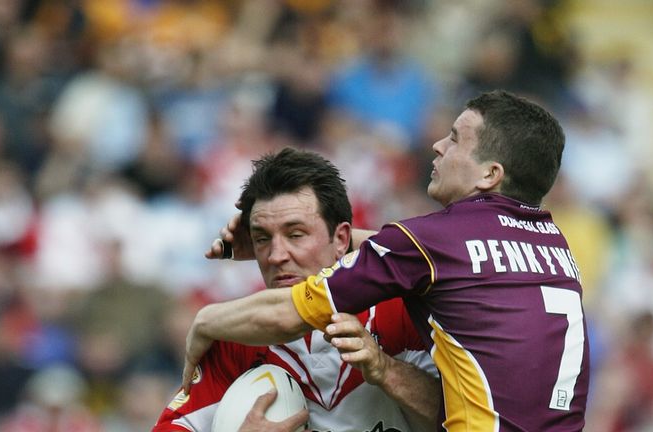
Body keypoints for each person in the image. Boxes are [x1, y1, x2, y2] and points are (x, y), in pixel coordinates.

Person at [184, 90, 590, 431]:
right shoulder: (556, 248)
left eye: (454, 139)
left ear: (489, 174)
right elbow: (418, 255)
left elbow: (289, 314)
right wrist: (303, 238)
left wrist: (205, 323)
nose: (438, 145)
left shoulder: (435, 241)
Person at [154, 148, 440, 431]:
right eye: (262, 239)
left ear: (342, 239)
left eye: (295, 234)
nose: (276, 255)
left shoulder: (403, 312)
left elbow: (463, 417)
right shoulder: (238, 337)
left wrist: (386, 370)